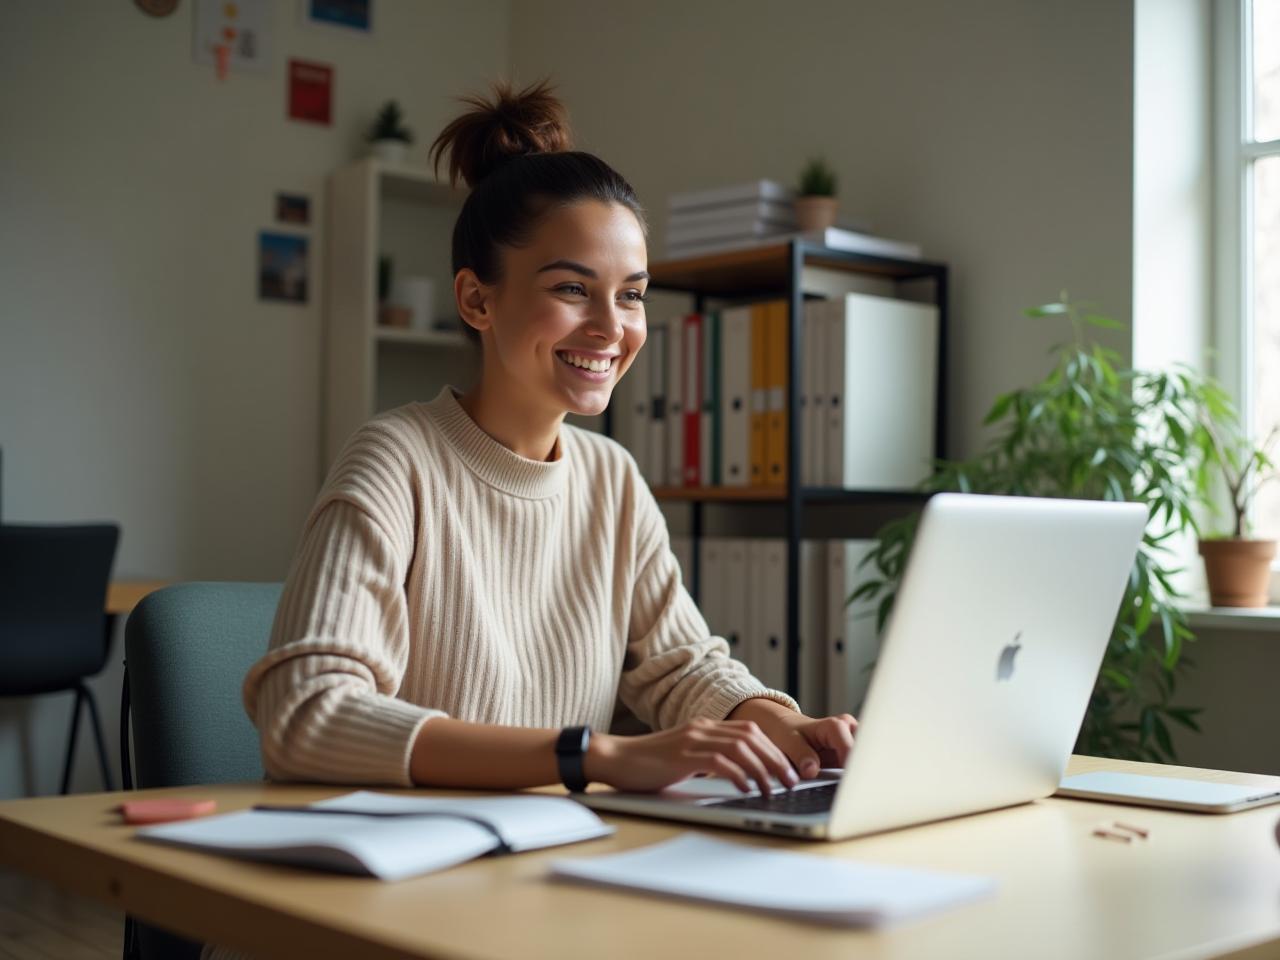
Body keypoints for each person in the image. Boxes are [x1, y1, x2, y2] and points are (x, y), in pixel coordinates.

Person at [242, 77, 859, 807]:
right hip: (399, 875)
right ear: (477, 299)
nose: (611, 326)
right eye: (572, 289)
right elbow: (308, 715)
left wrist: (778, 722)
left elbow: (680, 664)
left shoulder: (612, 478)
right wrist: (594, 757)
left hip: (549, 865)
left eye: (631, 293)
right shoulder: (397, 459)